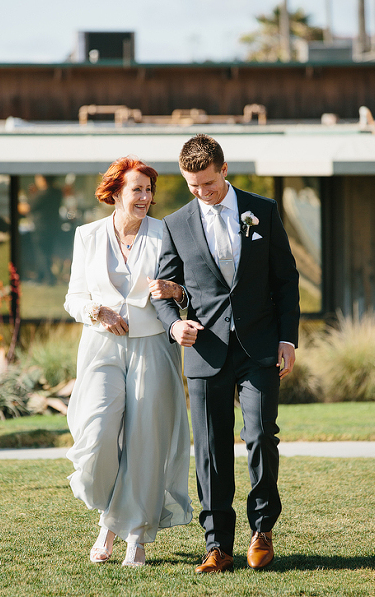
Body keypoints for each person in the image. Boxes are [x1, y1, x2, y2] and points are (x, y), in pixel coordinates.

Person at [152, 134, 301, 574]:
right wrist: (174, 323)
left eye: (209, 185)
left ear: (224, 170)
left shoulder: (264, 210)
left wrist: (287, 339)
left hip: (259, 347)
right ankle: (217, 545)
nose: (202, 194)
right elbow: (163, 291)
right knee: (212, 449)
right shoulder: (175, 224)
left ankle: (262, 530)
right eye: (193, 186)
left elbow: (286, 281)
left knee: (259, 436)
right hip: (205, 350)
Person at [64, 156, 192, 567]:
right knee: (97, 434)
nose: (145, 197)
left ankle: (133, 535)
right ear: (116, 192)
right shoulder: (87, 235)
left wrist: (176, 290)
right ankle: (109, 517)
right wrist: (96, 312)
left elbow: (191, 287)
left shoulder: (166, 231)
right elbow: (73, 297)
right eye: (137, 189)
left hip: (153, 344)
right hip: (101, 344)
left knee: (146, 441)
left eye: (149, 190)